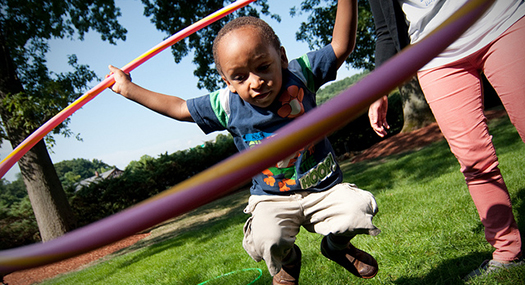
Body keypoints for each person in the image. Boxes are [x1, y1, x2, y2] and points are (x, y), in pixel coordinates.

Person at [109, 1, 381, 283]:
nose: (255, 82)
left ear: (282, 58)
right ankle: (288, 261)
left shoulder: (301, 75)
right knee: (266, 238)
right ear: (227, 81)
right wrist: (129, 89)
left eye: (263, 67)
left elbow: (341, 46)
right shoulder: (226, 104)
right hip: (271, 197)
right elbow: (179, 108)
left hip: (322, 187)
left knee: (356, 209)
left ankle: (337, 248)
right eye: (240, 76)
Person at [367, 0, 524, 280]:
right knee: (473, 159)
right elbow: (385, 30)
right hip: (435, 56)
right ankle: (507, 251)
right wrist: (379, 87)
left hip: (502, 20)